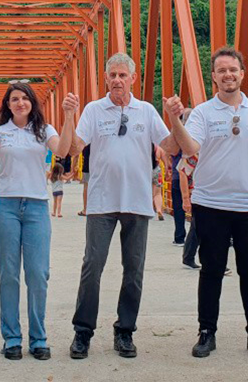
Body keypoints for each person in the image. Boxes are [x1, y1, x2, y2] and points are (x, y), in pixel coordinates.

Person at [166, 46, 248, 361]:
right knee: (211, 270)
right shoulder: (205, 112)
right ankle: (206, 333)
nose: (227, 75)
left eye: (232, 69)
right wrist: (174, 118)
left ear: (242, 73)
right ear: (213, 77)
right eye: (221, 70)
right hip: (211, 204)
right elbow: (190, 146)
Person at [62, 52, 183, 360]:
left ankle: (125, 331)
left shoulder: (145, 110)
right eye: (112, 75)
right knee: (92, 266)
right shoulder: (93, 109)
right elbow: (76, 148)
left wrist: (175, 119)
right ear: (106, 78)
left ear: (133, 79)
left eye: (122, 75)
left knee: (134, 271)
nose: (117, 80)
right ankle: (82, 332)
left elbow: (169, 145)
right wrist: (69, 116)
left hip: (137, 201)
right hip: (102, 201)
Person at [0, 81, 70, 361]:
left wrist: (70, 115)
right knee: (9, 274)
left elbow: (62, 148)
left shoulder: (44, 130)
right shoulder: (1, 131)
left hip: (37, 207)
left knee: (38, 274)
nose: (19, 103)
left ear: (32, 102)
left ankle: (39, 338)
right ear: (7, 104)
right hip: (6, 206)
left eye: (24, 98)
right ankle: (12, 338)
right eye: (14, 99)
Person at [169, 151, 186, 244]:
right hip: (194, 175)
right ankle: (197, 238)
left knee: (178, 208)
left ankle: (179, 237)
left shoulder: (176, 139)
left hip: (177, 175)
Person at [152, 146, 165, 221]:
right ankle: (159, 210)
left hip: (146, 170)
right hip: (157, 170)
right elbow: (165, 161)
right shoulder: (159, 148)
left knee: (148, 192)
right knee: (157, 193)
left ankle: (149, 210)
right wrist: (167, 169)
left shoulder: (144, 147)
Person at [77, 145, 90, 217]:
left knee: (86, 186)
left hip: (87, 165)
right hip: (98, 166)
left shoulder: (87, 136)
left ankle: (85, 209)